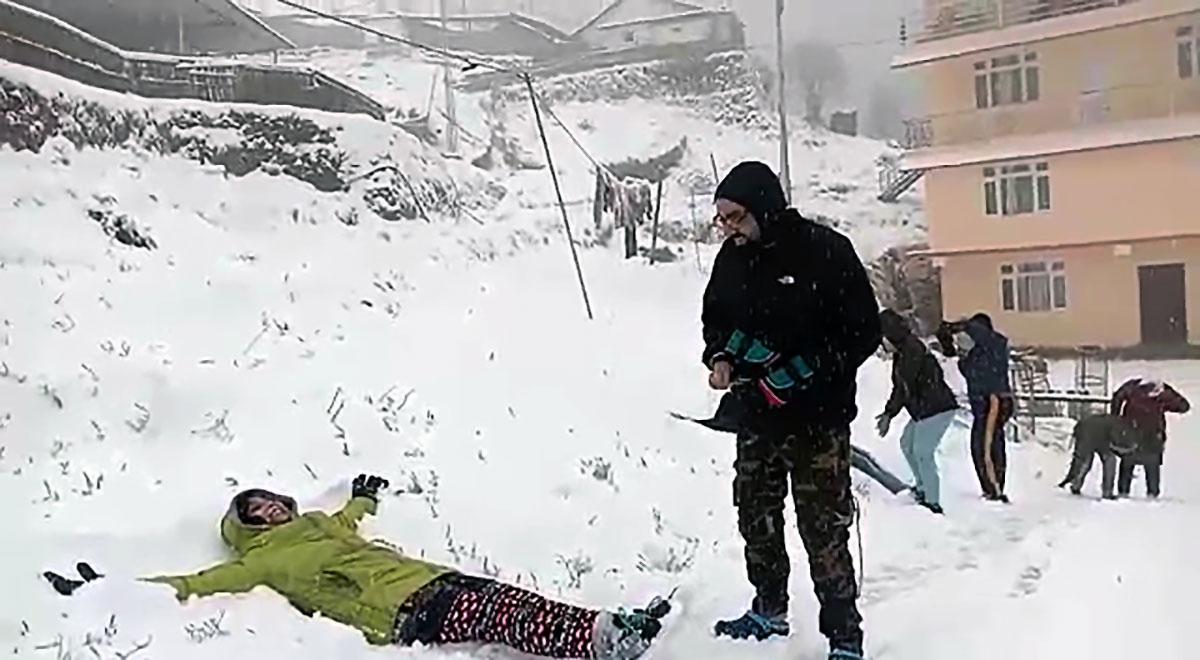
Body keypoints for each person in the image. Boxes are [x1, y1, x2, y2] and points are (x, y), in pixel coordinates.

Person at [47, 476, 666, 660]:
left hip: (428, 577)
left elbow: (347, 519)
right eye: (253, 511)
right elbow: (194, 584)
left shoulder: (316, 527)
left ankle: (604, 625)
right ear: (248, 529)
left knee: (511, 600)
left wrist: (365, 498)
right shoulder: (263, 561)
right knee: (502, 616)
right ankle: (602, 641)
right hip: (395, 609)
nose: (266, 509)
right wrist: (111, 588)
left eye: (268, 500)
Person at [701, 161, 880, 660]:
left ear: (763, 207)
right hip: (755, 416)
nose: (728, 229)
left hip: (816, 421)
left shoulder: (826, 251)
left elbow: (863, 332)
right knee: (754, 513)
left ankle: (844, 638)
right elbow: (715, 318)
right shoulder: (731, 260)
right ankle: (768, 608)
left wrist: (806, 374)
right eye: (721, 220)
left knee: (823, 528)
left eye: (734, 217)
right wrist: (720, 357)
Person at [876, 310, 959, 514]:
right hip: (925, 409)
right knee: (907, 444)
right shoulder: (905, 348)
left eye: (882, 339)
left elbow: (903, 387)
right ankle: (922, 489)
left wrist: (889, 414)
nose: (881, 344)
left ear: (890, 334)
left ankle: (932, 501)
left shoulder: (910, 350)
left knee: (922, 452)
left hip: (936, 408)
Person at [937, 314, 1013, 503]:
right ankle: (991, 487)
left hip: (993, 402)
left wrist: (957, 326)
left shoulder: (994, 345)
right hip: (984, 405)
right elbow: (953, 353)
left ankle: (995, 490)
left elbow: (980, 333)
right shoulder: (975, 354)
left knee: (985, 446)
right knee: (982, 444)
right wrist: (946, 338)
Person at [1111, 378, 1191, 498]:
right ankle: (1151, 494)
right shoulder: (1160, 395)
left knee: (1129, 464)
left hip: (1134, 434)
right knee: (1150, 467)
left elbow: (1117, 399)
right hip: (1150, 435)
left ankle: (1124, 492)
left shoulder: (1132, 389)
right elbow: (1183, 406)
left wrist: (1116, 418)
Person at [1056, 413, 1139, 499]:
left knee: (1083, 463)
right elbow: (1115, 443)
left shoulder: (1114, 421)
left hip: (1087, 435)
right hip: (1092, 438)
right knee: (1108, 462)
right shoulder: (1119, 425)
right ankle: (1107, 492)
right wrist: (1128, 450)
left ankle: (1075, 485)